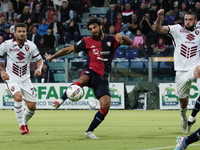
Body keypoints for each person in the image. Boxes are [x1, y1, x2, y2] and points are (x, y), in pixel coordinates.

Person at [44, 17, 132, 139]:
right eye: (90, 29)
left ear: (101, 26)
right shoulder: (86, 41)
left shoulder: (111, 39)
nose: (93, 30)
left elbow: (130, 42)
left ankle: (89, 131)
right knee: (82, 80)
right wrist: (52, 57)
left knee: (106, 105)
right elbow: (68, 49)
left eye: (94, 27)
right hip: (90, 71)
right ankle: (61, 100)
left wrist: (121, 36)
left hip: (102, 77)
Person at [155, 9, 200, 135]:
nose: (187, 22)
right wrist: (159, 17)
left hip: (194, 67)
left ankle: (192, 115)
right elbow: (158, 29)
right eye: (186, 19)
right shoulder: (176, 29)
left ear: (195, 21)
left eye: (190, 20)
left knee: (199, 70)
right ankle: (184, 117)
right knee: (183, 103)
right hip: (180, 71)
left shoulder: (199, 33)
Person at [0, 23, 43, 134]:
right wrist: (1, 72)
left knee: (32, 107)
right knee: (18, 97)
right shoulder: (6, 44)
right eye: (19, 31)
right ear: (14, 33)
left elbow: (40, 60)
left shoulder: (31, 45)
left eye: (23, 31)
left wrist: (39, 68)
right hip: (11, 78)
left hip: (25, 79)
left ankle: (24, 122)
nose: (21, 33)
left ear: (26, 33)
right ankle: (21, 126)